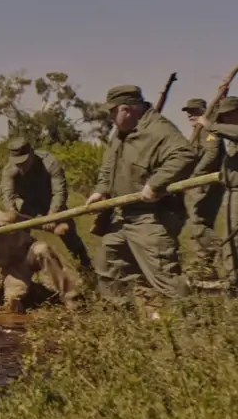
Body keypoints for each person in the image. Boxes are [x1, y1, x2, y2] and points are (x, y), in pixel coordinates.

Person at [85, 85, 196, 306]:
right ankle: (123, 320)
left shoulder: (159, 130)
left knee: (164, 276)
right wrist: (101, 190)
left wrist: (155, 185)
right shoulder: (119, 134)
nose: (110, 117)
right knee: (108, 263)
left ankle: (190, 328)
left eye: (112, 111)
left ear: (126, 109)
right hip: (123, 214)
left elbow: (185, 154)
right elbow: (109, 166)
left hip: (153, 216)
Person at [0, 209, 79, 314]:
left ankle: (70, 298)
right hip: (14, 269)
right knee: (13, 301)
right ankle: (38, 292)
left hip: (31, 253)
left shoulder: (8, 218)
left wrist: (54, 229)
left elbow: (33, 223)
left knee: (42, 249)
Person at [0, 136, 92, 269]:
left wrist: (52, 214)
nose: (21, 166)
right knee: (17, 236)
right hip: (26, 205)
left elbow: (59, 192)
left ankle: (86, 266)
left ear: (31, 153)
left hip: (51, 202)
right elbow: (8, 197)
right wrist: (16, 216)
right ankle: (22, 270)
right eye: (17, 163)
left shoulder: (49, 162)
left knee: (67, 232)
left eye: (24, 162)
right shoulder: (9, 170)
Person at [193, 96, 238, 293]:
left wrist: (210, 125)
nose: (225, 121)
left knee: (235, 238)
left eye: (227, 116)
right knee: (229, 237)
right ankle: (232, 279)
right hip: (231, 191)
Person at [182, 98, 224, 275]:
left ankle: (222, 257)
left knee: (200, 223)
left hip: (205, 183)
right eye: (189, 112)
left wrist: (195, 175)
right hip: (198, 183)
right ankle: (204, 264)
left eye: (195, 112)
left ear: (204, 112)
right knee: (196, 225)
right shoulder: (196, 133)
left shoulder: (209, 129)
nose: (191, 115)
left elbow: (212, 154)